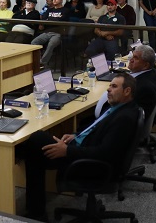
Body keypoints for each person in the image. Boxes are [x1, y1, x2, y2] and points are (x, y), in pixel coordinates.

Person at [18, 73, 140, 222]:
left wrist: (67, 151)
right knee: (35, 144)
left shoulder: (124, 118)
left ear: (127, 91)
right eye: (110, 85)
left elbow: (105, 153)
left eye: (114, 86)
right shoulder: (118, 108)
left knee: (35, 142)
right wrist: (76, 135)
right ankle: (35, 208)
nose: (108, 89)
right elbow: (95, 128)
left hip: (92, 165)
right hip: (82, 149)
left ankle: (37, 213)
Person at [31, 0, 69, 66]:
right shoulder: (49, 10)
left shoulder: (65, 10)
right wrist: (50, 21)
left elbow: (61, 21)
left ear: (61, 0)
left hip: (58, 33)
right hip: (47, 32)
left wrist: (49, 20)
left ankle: (42, 63)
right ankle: (37, 60)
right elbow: (44, 19)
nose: (54, 0)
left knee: (51, 44)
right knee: (34, 42)